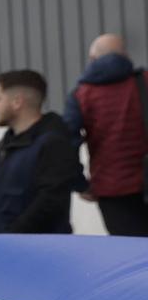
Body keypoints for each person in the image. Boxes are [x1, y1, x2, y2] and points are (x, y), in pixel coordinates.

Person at [63, 33, 148, 237]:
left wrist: (80, 184)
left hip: (112, 189)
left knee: (131, 255)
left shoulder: (81, 95)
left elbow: (67, 143)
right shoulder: (144, 81)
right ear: (125, 56)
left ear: (92, 59)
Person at [0, 69, 77, 234]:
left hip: (35, 251)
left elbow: (49, 202)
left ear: (17, 102)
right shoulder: (7, 143)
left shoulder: (53, 144)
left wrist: (13, 235)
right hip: (2, 247)